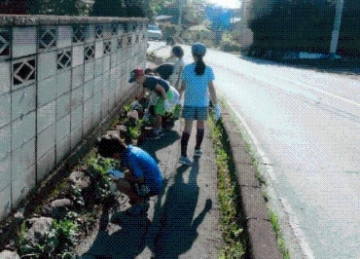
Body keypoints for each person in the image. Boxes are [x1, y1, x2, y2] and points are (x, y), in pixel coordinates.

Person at [97, 134, 163, 215]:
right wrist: (118, 174)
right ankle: (138, 197)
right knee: (120, 178)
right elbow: (123, 168)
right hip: (155, 181)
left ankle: (140, 203)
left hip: (152, 187)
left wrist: (120, 175)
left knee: (119, 183)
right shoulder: (131, 150)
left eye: (112, 157)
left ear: (115, 154)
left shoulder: (130, 158)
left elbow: (140, 179)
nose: (113, 158)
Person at [178, 42, 221, 165]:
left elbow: (183, 87)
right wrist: (216, 106)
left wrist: (178, 99)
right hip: (203, 104)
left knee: (187, 129)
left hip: (189, 103)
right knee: (200, 126)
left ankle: (183, 156)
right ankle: (197, 149)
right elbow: (212, 89)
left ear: (192, 54)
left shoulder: (186, 68)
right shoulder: (208, 70)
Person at [129, 68, 173, 139]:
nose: (136, 82)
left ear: (141, 76)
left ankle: (157, 132)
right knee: (156, 111)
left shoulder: (149, 81)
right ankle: (158, 128)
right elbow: (143, 92)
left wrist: (166, 101)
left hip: (166, 94)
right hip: (162, 95)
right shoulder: (145, 81)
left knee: (158, 113)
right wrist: (136, 101)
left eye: (135, 79)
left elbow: (162, 89)